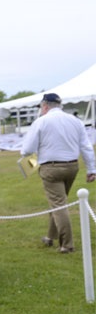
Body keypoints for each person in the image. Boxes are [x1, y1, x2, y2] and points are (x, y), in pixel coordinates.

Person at [19, 93, 96, 253]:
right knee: (58, 202)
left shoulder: (41, 121)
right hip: (72, 167)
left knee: (59, 205)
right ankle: (50, 237)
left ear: (45, 105)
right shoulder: (75, 121)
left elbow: (27, 150)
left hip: (51, 168)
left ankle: (67, 245)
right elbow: (86, 147)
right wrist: (91, 169)